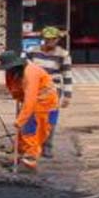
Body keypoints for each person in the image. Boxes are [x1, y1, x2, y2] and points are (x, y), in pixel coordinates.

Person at [0, 50, 60, 173]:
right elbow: (13, 88)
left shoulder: (31, 73)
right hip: (30, 102)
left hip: (45, 104)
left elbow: (30, 98)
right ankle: (19, 157)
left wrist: (21, 119)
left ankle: (29, 162)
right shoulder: (13, 72)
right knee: (23, 132)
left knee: (31, 132)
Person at [25, 26, 73, 158]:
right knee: (31, 118)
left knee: (50, 120)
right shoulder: (32, 52)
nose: (49, 43)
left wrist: (68, 95)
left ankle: (47, 146)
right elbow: (24, 69)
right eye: (47, 40)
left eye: (52, 40)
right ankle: (31, 145)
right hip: (34, 90)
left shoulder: (63, 54)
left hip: (53, 91)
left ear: (57, 39)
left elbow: (67, 75)